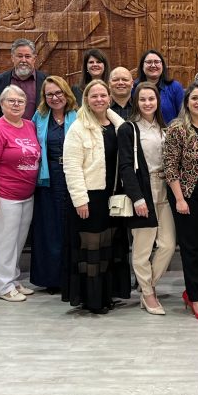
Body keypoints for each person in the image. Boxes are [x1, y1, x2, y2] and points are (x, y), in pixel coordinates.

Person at [62, 81, 130, 313]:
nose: (99, 99)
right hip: (90, 198)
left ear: (109, 98)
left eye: (103, 95)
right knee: (91, 250)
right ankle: (92, 299)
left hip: (112, 197)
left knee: (108, 248)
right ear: (87, 99)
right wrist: (80, 199)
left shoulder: (118, 125)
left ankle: (107, 294)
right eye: (94, 96)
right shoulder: (78, 128)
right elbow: (71, 167)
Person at [163, 81, 198, 321]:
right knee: (191, 246)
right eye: (194, 98)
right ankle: (195, 297)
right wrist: (179, 198)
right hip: (187, 192)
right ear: (187, 102)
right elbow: (170, 166)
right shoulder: (177, 128)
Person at [118, 82, 176, 316]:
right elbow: (125, 167)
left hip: (165, 187)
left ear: (157, 101)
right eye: (142, 99)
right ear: (136, 101)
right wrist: (137, 198)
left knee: (168, 244)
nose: (147, 103)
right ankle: (149, 294)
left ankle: (147, 287)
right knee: (142, 249)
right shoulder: (129, 129)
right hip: (143, 189)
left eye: (151, 98)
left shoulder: (164, 128)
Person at [0, 85, 41, 303]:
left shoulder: (30, 125)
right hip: (3, 195)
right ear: (2, 104)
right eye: (11, 101)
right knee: (4, 241)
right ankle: (3, 286)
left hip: (26, 194)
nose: (16, 105)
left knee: (18, 241)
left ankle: (13, 280)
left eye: (20, 101)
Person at [30, 76, 78, 293]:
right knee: (49, 229)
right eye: (50, 94)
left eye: (59, 93)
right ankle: (52, 278)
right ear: (44, 97)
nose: (55, 97)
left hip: (73, 178)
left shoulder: (77, 116)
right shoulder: (39, 118)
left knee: (70, 227)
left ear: (66, 93)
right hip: (47, 179)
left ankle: (71, 276)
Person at [0, 38, 47, 119]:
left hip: (36, 130)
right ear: (12, 58)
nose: (23, 60)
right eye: (19, 56)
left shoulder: (46, 81)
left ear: (34, 59)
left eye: (27, 56)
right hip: (6, 130)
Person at [136, 50, 184, 124]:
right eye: (149, 62)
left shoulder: (175, 87)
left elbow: (182, 114)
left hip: (168, 133)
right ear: (142, 66)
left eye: (157, 62)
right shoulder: (135, 87)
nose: (153, 65)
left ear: (162, 65)